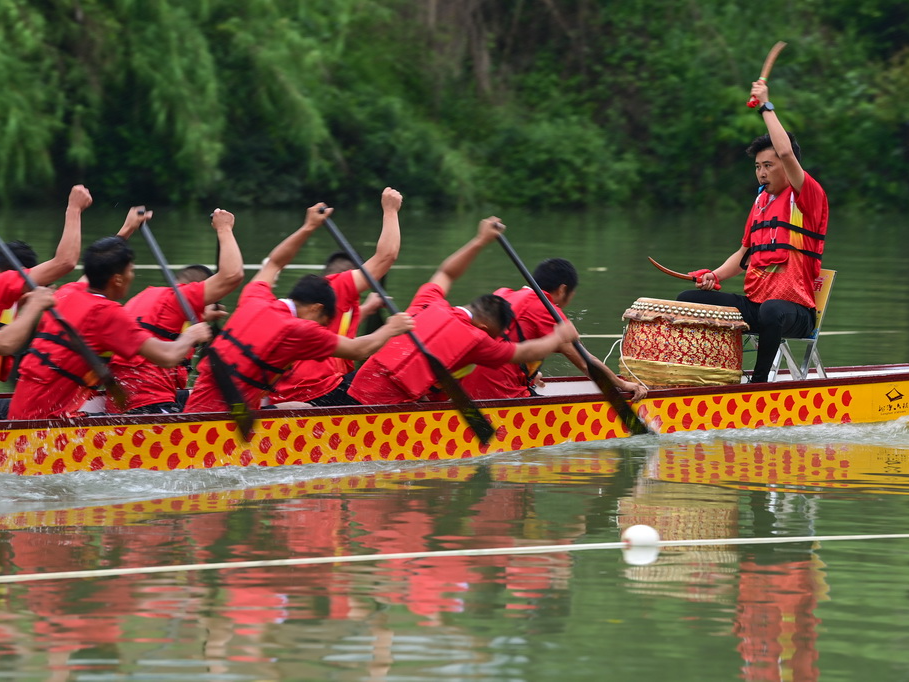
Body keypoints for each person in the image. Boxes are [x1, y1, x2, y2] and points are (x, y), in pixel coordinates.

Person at [184, 203, 414, 414]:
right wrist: (392, 328)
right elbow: (358, 350)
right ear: (316, 309)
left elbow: (274, 263)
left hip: (217, 402)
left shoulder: (256, 297)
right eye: (325, 322)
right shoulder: (301, 329)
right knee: (383, 378)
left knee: (293, 404)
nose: (324, 327)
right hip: (230, 416)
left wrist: (308, 226)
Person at [676, 79, 828, 384]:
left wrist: (765, 106)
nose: (761, 172)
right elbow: (743, 254)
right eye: (758, 166)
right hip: (756, 306)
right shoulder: (761, 202)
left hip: (795, 313)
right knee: (687, 299)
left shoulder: (807, 196)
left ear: (788, 165)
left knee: (772, 311)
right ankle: (705, 376)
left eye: (768, 165)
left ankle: (758, 385)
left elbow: (785, 151)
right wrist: (715, 276)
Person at [344, 218, 579, 406]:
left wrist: (479, 240)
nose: (494, 340)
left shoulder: (430, 302)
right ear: (486, 328)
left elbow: (446, 273)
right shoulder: (477, 339)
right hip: (384, 404)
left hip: (357, 385)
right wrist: (558, 337)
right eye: (495, 335)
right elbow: (522, 351)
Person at [7, 236, 212, 420]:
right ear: (117, 279)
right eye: (131, 270)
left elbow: (96, 266)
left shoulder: (69, 291)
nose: (132, 276)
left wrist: (127, 231)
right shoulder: (107, 313)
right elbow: (167, 357)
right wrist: (190, 336)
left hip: (24, 413)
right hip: (44, 426)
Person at [270, 187, 403, 407]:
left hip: (299, 389)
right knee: (396, 371)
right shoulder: (338, 286)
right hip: (314, 392)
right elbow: (386, 257)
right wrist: (390, 211)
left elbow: (336, 337)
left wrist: (367, 309)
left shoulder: (314, 302)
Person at [105, 207, 244, 413]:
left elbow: (162, 327)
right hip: (149, 407)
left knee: (203, 395)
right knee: (227, 403)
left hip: (119, 404)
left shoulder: (143, 297)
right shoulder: (183, 297)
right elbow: (232, 275)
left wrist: (203, 316)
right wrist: (224, 228)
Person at [460, 258, 647, 400]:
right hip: (499, 395)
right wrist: (622, 384)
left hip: (463, 387)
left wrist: (531, 375)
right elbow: (585, 362)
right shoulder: (546, 308)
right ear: (562, 290)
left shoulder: (503, 295)